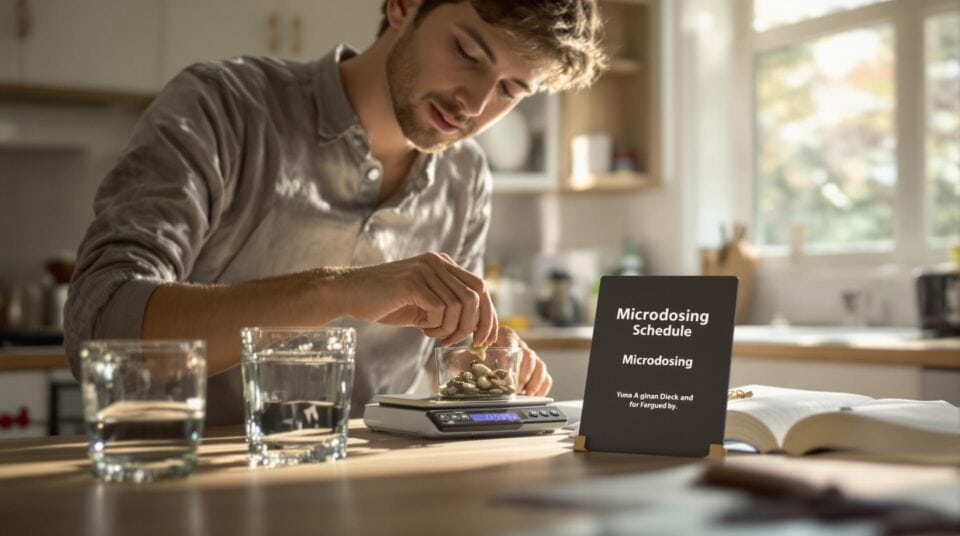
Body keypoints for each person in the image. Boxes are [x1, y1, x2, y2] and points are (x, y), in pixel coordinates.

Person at [65, 0, 607, 424]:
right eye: (468, 52)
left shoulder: (466, 177)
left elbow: (449, 364)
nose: (475, 103)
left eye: (511, 89)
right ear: (403, 7)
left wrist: (487, 368)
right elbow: (99, 327)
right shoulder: (223, 107)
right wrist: (337, 290)